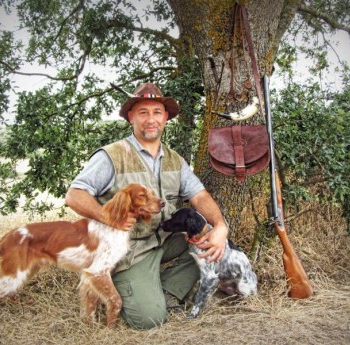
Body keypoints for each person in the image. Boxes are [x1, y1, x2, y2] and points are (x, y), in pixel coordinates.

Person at [65, 82, 229, 329]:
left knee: (215, 243)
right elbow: (74, 195)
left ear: (165, 118)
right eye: (143, 112)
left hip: (165, 240)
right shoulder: (112, 155)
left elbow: (200, 196)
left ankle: (167, 289)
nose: (150, 119)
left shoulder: (175, 159)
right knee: (149, 318)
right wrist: (107, 216)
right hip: (129, 251)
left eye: (156, 112)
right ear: (131, 117)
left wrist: (221, 226)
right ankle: (144, 290)